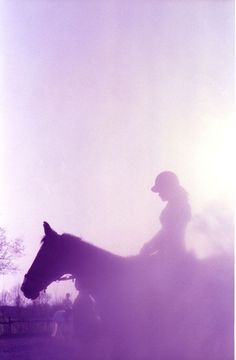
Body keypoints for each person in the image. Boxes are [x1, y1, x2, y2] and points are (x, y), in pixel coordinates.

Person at [140, 171, 191, 261]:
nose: (159, 194)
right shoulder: (177, 204)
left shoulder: (177, 206)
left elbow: (169, 233)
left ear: (168, 188)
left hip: (172, 257)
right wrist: (150, 246)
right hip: (170, 254)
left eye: (160, 190)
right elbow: (166, 231)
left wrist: (149, 246)